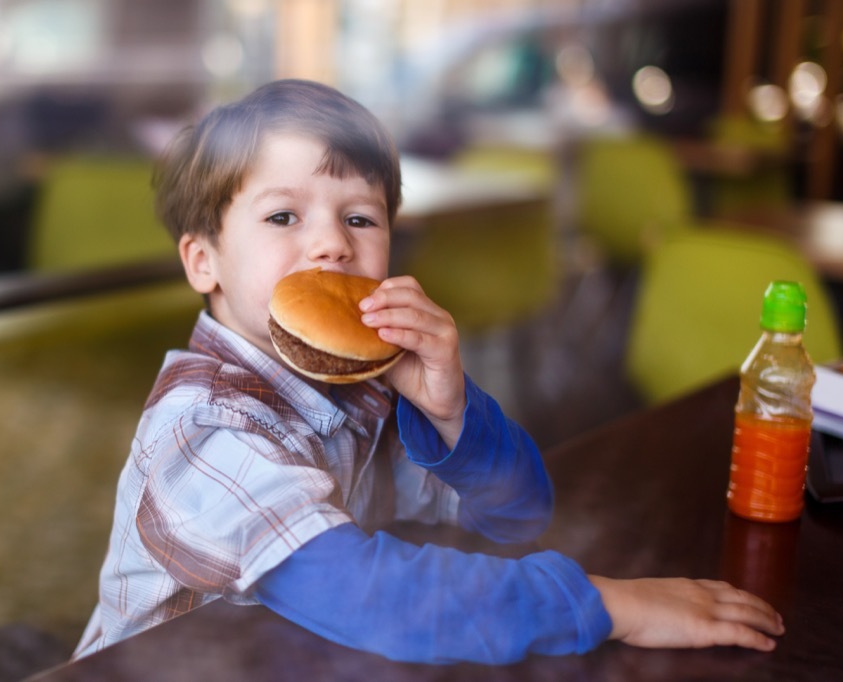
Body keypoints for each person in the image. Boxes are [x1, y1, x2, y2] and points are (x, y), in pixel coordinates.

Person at [73, 79, 784, 663]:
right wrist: (609, 604)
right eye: (284, 216)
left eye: (360, 218)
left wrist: (450, 414)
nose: (330, 243)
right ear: (204, 261)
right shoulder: (203, 428)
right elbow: (378, 599)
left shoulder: (361, 386)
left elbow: (516, 516)